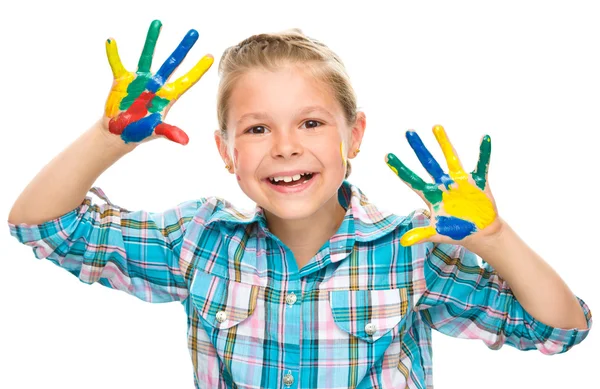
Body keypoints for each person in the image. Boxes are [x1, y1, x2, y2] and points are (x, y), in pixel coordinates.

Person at [7, 19, 592, 389]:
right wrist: (111, 135)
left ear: (354, 135)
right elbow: (43, 226)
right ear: (225, 151)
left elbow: (558, 330)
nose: (285, 147)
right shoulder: (197, 240)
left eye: (311, 122)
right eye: (257, 130)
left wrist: (493, 239)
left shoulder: (411, 251)